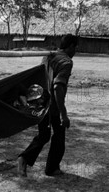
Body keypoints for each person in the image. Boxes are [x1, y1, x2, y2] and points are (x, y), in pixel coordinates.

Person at [17, 34, 78, 177]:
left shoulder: (48, 56)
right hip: (53, 106)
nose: (75, 51)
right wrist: (63, 114)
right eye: (75, 48)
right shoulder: (66, 62)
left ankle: (24, 158)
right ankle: (51, 168)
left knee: (44, 135)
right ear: (70, 47)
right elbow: (58, 87)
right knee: (59, 134)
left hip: (41, 102)